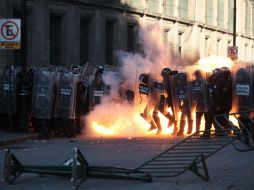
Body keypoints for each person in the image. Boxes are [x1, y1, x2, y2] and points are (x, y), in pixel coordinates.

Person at [161, 68, 178, 135]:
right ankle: (171, 119)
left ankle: (176, 128)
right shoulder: (165, 80)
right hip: (168, 98)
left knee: (175, 114)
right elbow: (164, 89)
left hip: (174, 98)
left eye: (165, 74)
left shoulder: (173, 79)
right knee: (162, 109)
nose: (163, 76)